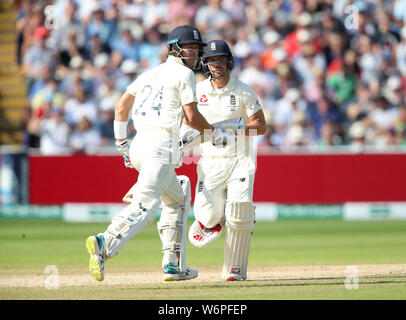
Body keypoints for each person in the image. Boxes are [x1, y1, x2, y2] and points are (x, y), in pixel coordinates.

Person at [85, 25, 229, 282]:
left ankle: (172, 264)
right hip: (160, 147)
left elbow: (121, 107)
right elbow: (192, 117)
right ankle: (103, 242)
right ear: (174, 48)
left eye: (197, 48)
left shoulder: (149, 74)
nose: (194, 54)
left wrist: (123, 146)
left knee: (176, 198)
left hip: (140, 144)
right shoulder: (184, 74)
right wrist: (214, 133)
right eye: (190, 48)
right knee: (145, 206)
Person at [185, 40, 266, 281]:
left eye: (220, 60)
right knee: (208, 216)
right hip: (210, 161)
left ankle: (234, 270)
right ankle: (215, 219)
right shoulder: (198, 91)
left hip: (240, 158)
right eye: (211, 61)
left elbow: (260, 126)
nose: (216, 65)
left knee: (239, 212)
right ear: (205, 64)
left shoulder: (243, 90)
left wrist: (233, 128)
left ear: (228, 62)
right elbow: (188, 122)